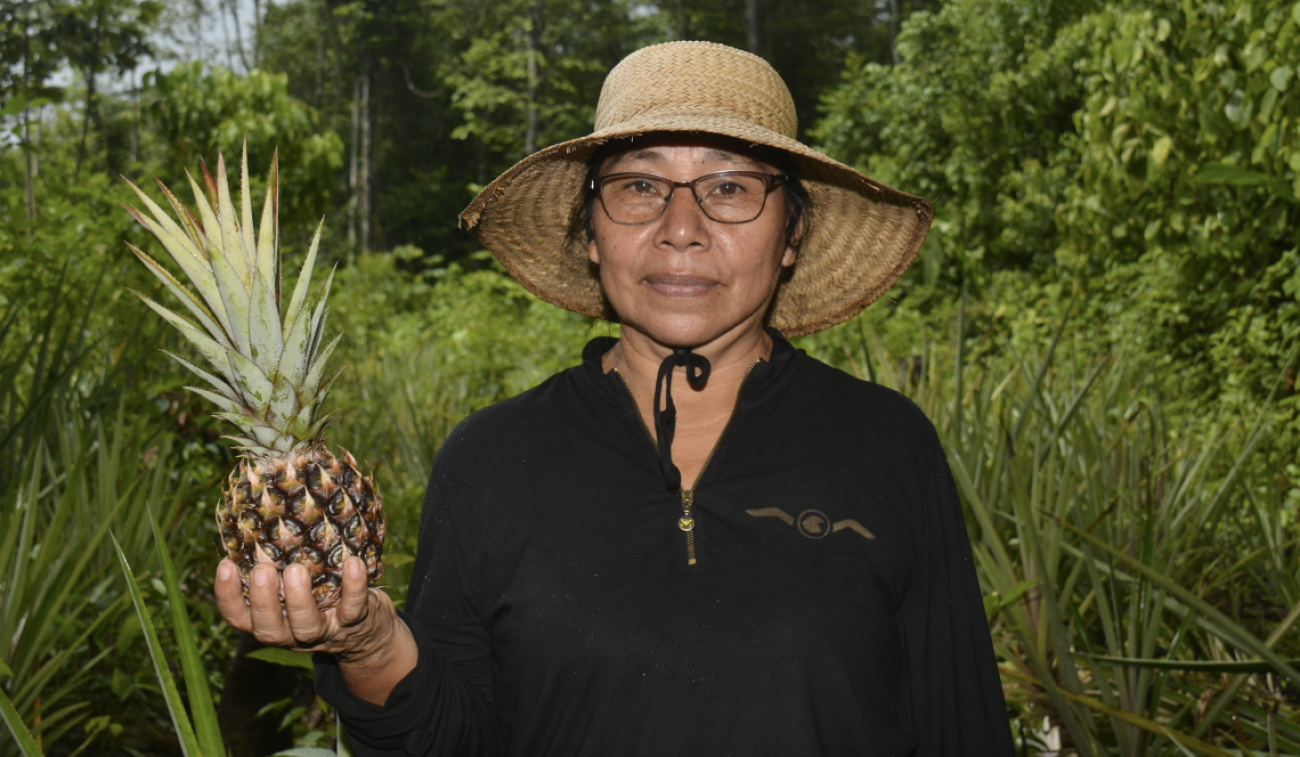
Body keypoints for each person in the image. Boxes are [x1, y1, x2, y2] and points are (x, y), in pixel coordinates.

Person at [215, 41, 1015, 756]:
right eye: (639, 186)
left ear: (793, 234)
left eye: (730, 187)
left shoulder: (885, 444)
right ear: (591, 232)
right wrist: (368, 643)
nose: (681, 227)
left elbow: (961, 722)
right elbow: (450, 735)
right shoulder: (492, 459)